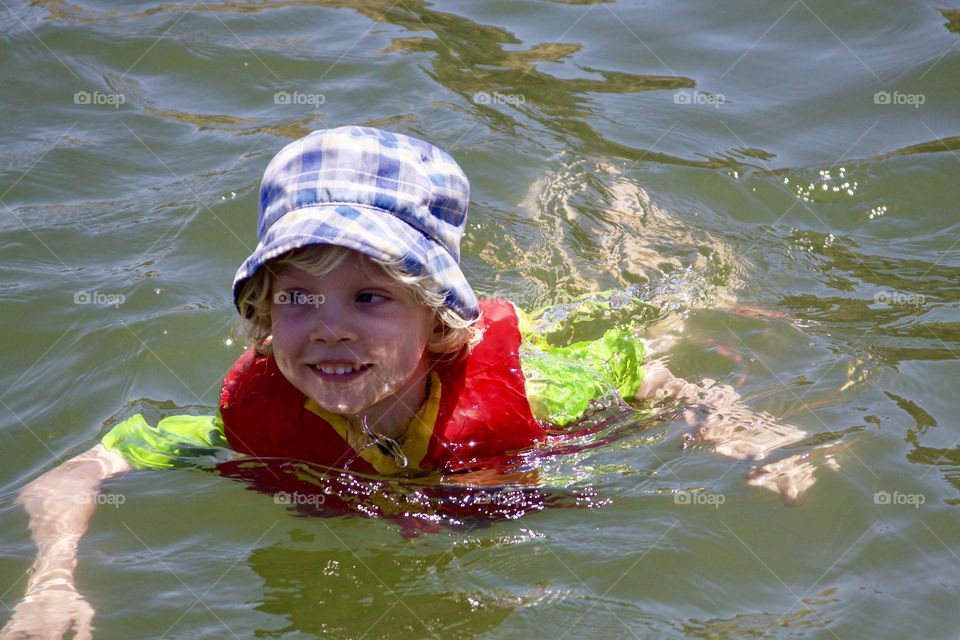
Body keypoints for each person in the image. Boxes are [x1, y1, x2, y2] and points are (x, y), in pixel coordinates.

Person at [1, 126, 816, 639]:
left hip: (558, 356)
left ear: (435, 318)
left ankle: (637, 241)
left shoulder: (545, 393)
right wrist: (52, 583)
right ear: (260, 320)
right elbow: (74, 473)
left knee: (647, 315)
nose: (329, 326)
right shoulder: (253, 421)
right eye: (296, 299)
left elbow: (656, 380)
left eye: (369, 297)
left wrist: (740, 428)